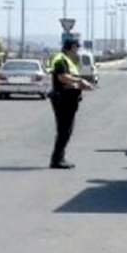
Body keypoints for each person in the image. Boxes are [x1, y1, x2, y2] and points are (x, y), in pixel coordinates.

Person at [48, 33, 94, 169]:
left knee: (66, 131)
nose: (78, 49)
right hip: (62, 99)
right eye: (76, 46)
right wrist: (80, 81)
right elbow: (62, 77)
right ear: (70, 46)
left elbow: (68, 80)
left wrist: (80, 86)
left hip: (69, 99)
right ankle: (57, 160)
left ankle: (59, 158)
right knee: (64, 131)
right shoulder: (60, 59)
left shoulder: (67, 59)